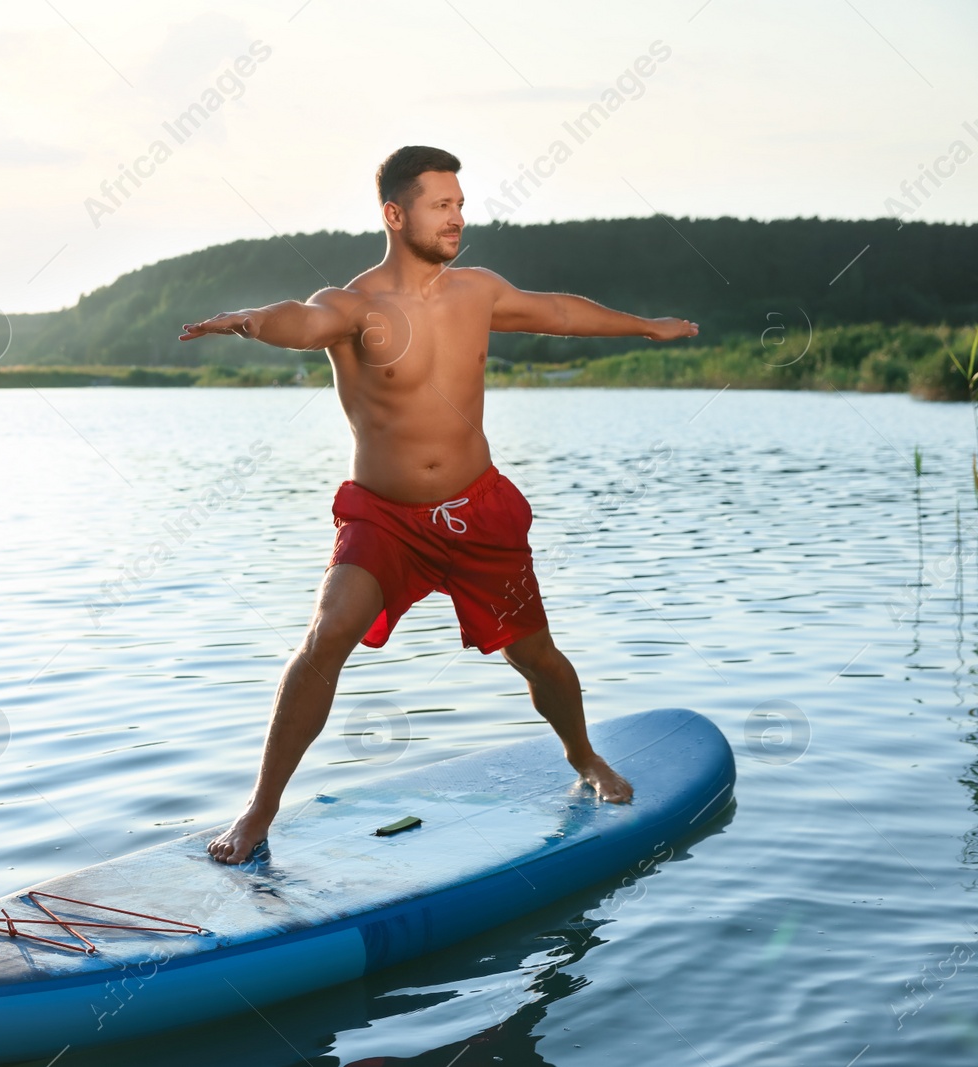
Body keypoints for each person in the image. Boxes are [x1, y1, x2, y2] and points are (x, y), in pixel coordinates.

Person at [179, 145, 699, 865]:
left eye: (460, 203)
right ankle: (260, 807)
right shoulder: (354, 305)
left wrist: (646, 326)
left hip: (479, 512)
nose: (458, 217)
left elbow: (558, 313)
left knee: (537, 656)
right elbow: (298, 320)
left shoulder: (476, 291)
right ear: (396, 214)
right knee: (326, 636)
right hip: (385, 518)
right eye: (441, 205)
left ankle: (585, 756)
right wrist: (245, 320)